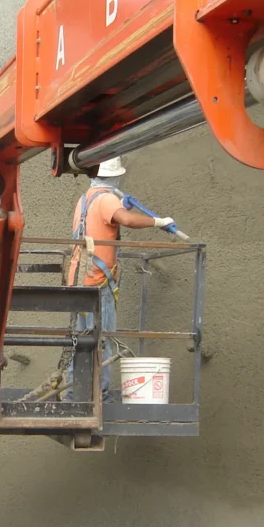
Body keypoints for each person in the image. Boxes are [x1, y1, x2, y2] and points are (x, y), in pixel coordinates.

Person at [64, 158, 174, 401]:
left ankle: (73, 393)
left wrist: (120, 204)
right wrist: (158, 222)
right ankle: (99, 396)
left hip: (80, 280)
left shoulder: (86, 199)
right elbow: (127, 220)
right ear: (113, 176)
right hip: (97, 284)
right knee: (104, 339)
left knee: (81, 341)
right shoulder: (106, 199)